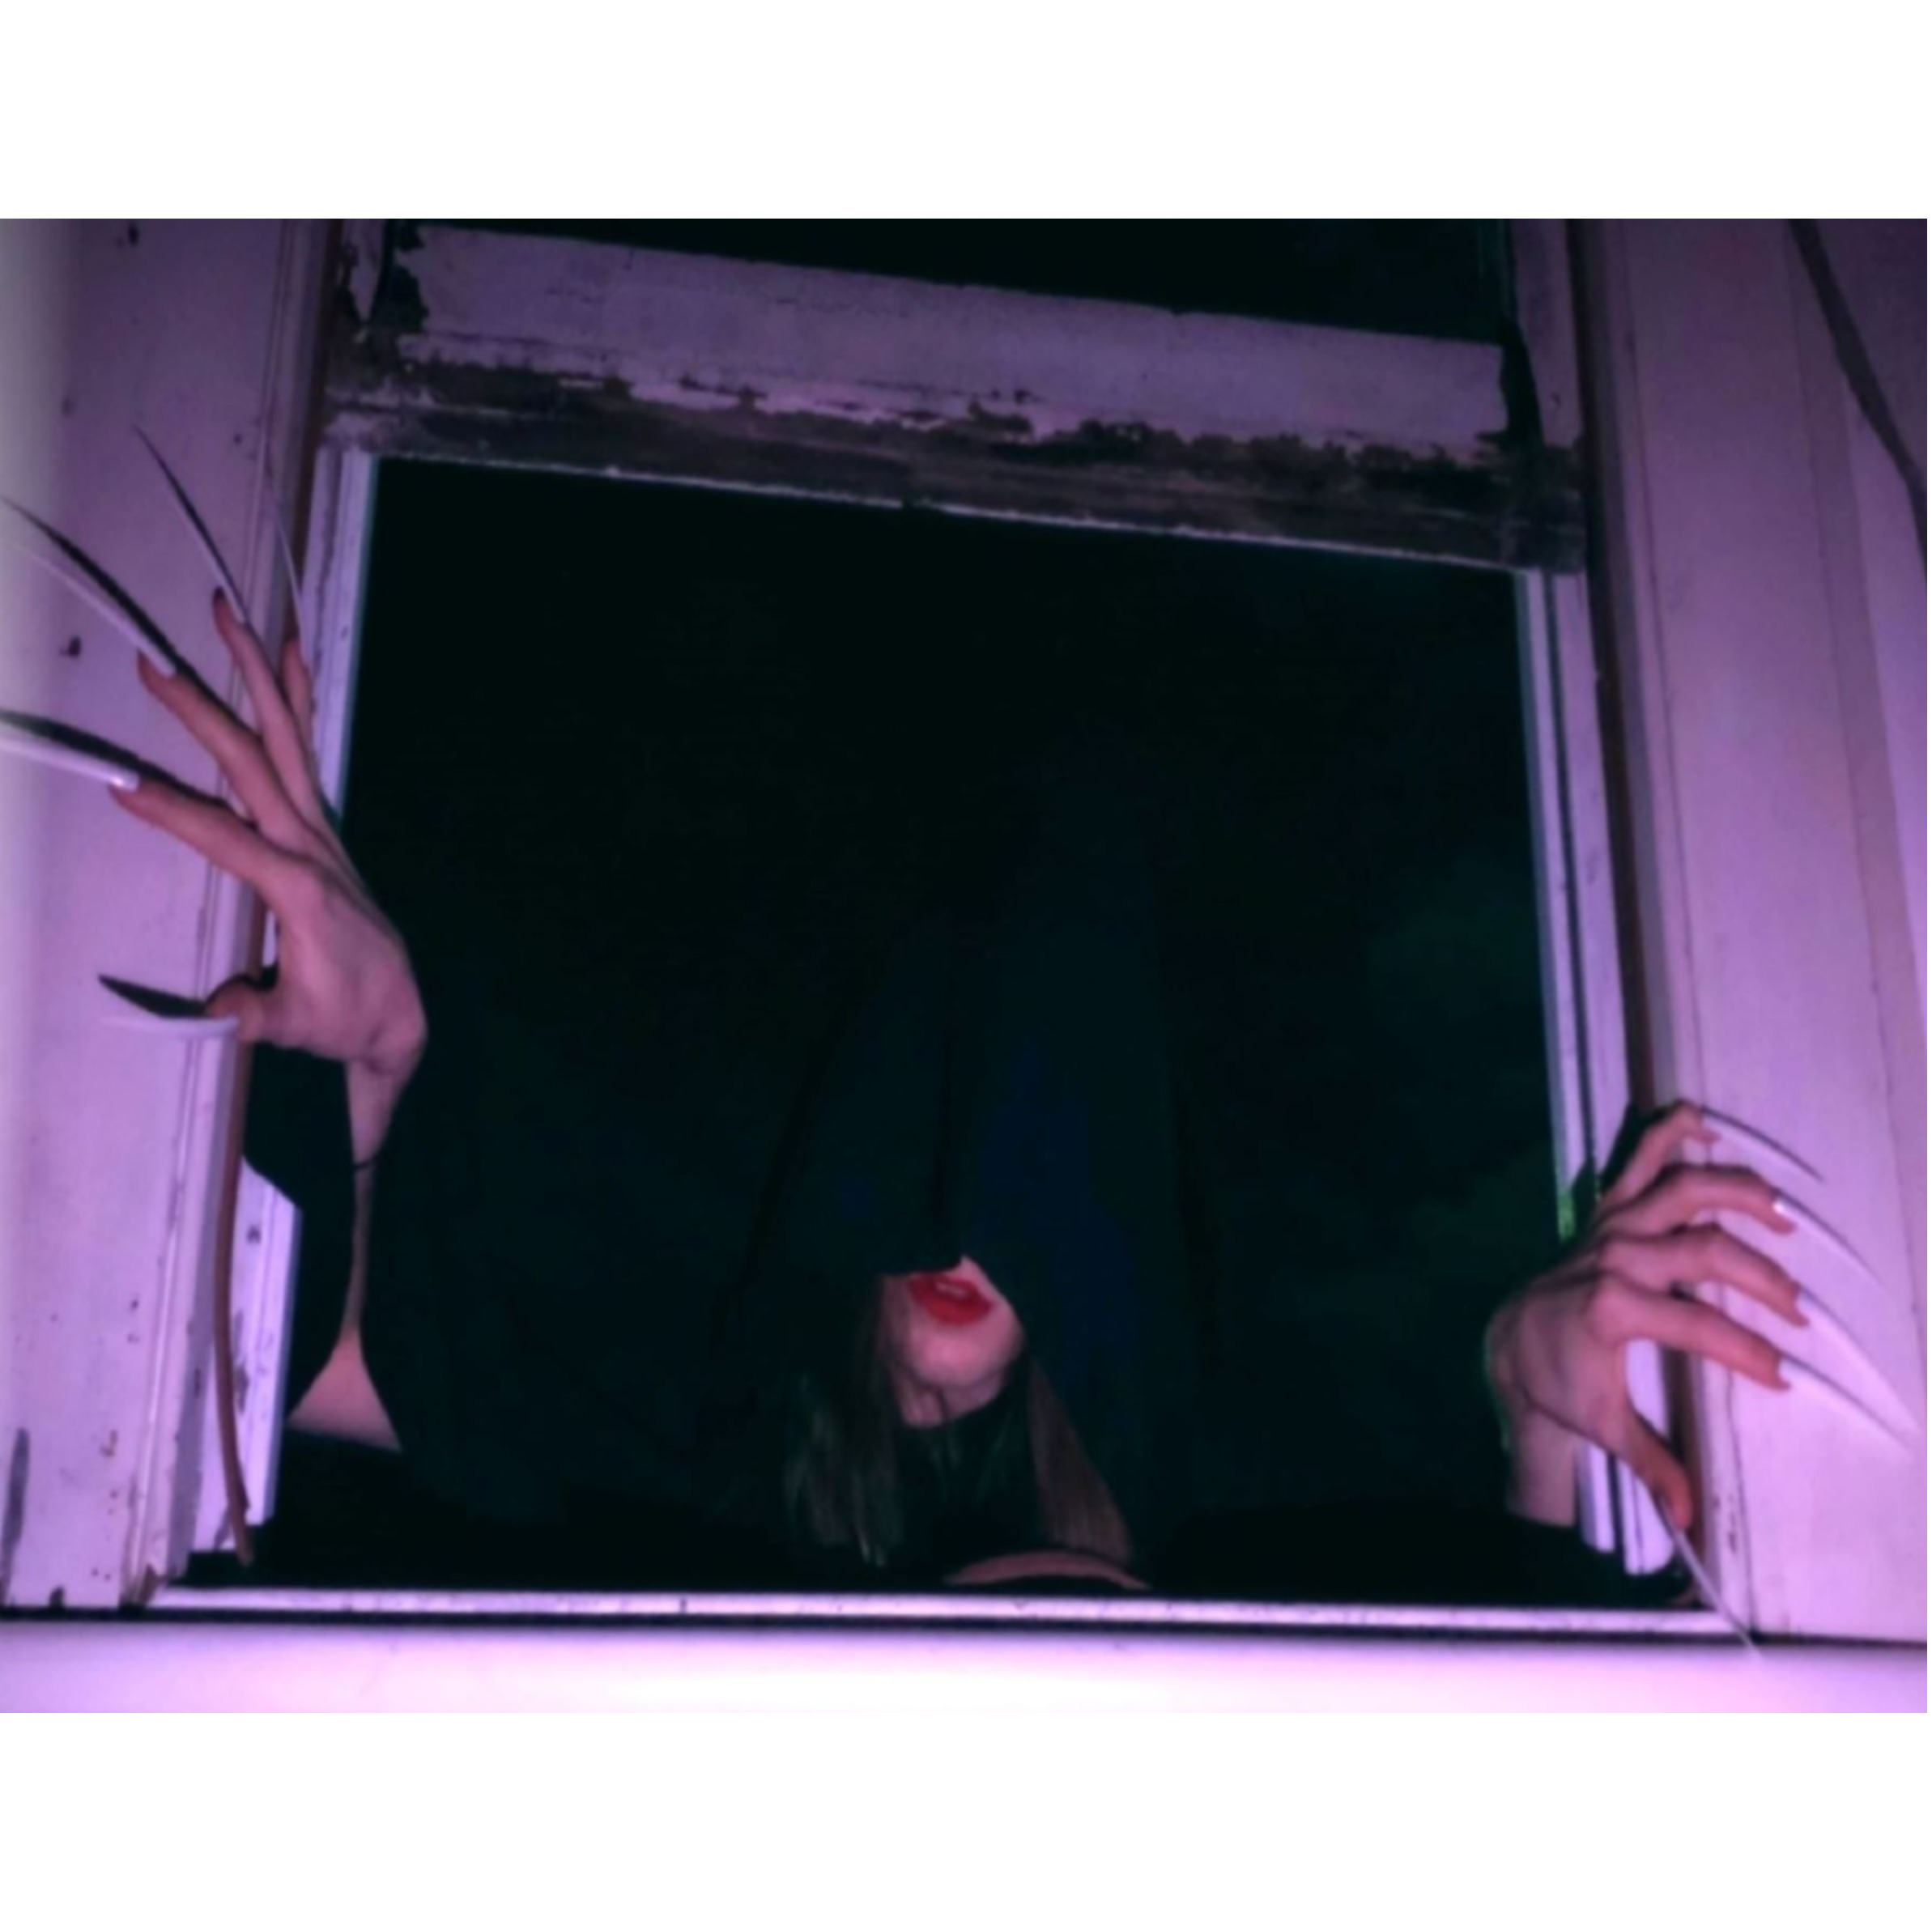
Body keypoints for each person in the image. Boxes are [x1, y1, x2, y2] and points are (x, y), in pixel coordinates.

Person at [114, 595, 1808, 1593]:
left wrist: (1532, 1417)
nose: (959, 1220)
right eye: (924, 1131)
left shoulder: (1209, 1471)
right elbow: (309, 1375)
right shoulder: (709, 1426)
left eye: (1026, 1152)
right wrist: (380, 1058)